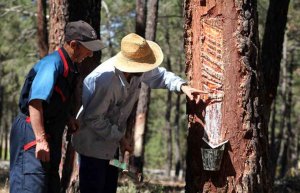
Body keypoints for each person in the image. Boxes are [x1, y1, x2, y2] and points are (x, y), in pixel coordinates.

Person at [72, 33, 207, 193]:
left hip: (111, 148)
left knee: (109, 188)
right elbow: (94, 118)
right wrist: (120, 137)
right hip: (91, 149)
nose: (147, 69)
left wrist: (182, 86)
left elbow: (160, 76)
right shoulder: (103, 80)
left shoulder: (139, 70)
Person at [9, 20, 104, 193]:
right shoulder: (52, 65)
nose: (90, 54)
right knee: (30, 186)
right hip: (32, 133)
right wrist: (40, 139)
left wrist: (68, 119)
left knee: (50, 186)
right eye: (87, 48)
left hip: (49, 135)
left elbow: (53, 101)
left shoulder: (70, 67)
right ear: (74, 44)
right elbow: (35, 102)